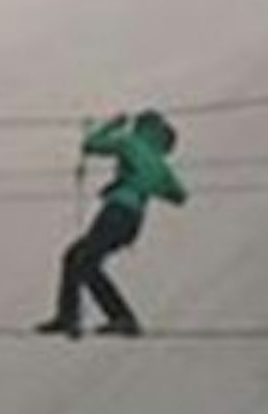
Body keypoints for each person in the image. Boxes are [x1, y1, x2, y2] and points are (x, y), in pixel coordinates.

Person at [37, 111, 188, 338]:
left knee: (82, 260)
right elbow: (179, 196)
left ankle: (113, 317)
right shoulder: (160, 164)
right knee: (77, 257)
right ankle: (75, 317)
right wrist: (144, 185)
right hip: (132, 221)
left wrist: (111, 126)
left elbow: (91, 144)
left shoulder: (130, 142)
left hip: (115, 212)